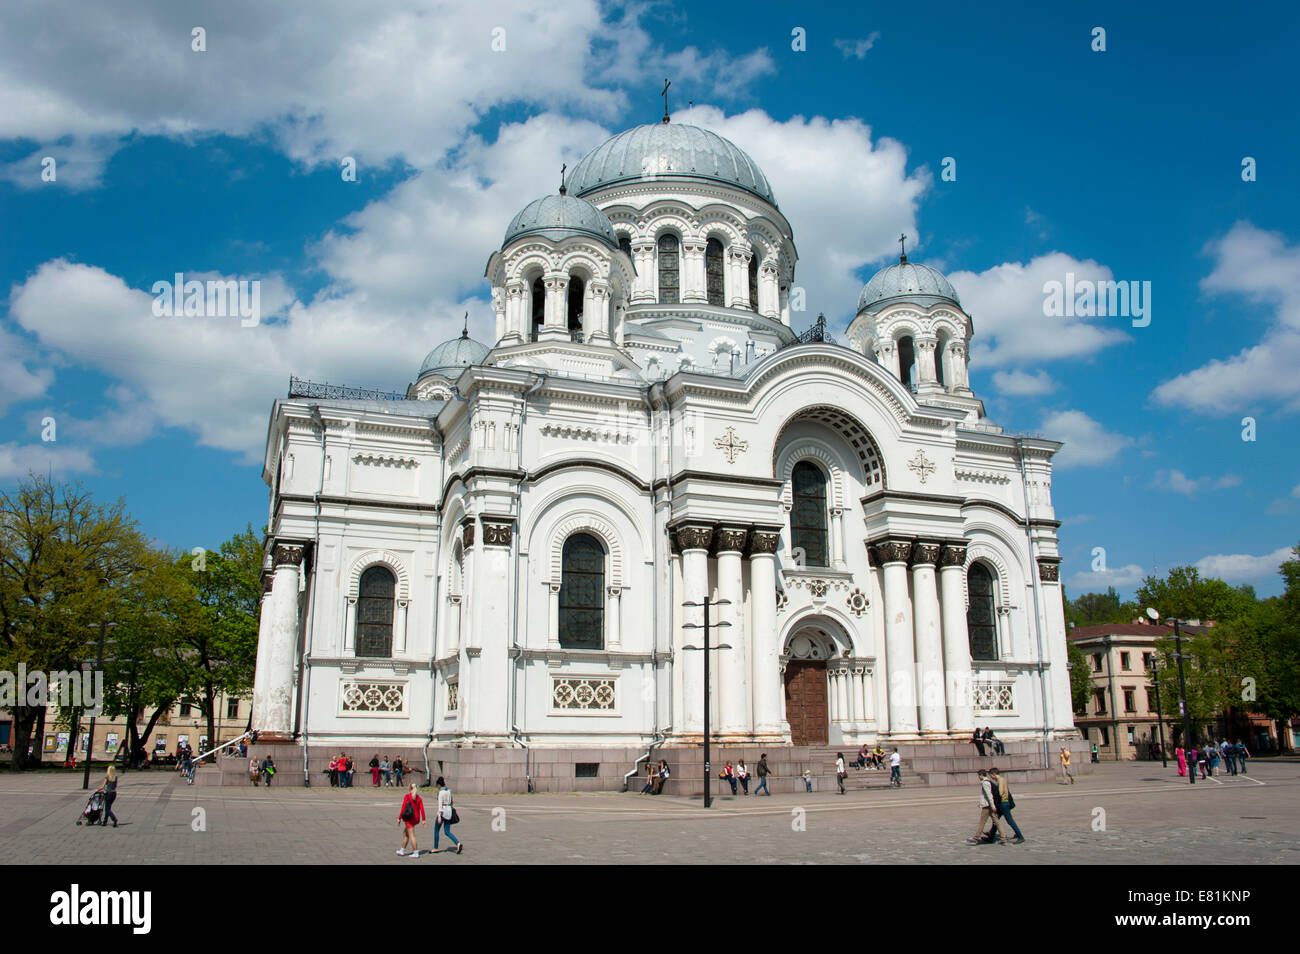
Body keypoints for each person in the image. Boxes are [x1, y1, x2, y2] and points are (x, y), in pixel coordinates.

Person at [967, 769, 1005, 845]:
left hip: (987, 806)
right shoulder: (988, 782)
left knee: (982, 822)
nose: (978, 777)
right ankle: (1003, 838)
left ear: (981, 775)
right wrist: (981, 803)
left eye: (979, 775)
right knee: (997, 822)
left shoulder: (985, 783)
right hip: (989, 805)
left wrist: (992, 806)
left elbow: (989, 795)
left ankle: (975, 838)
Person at [989, 767, 1023, 844]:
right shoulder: (1002, 779)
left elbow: (1000, 792)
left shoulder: (1000, 780)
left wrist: (995, 794)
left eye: (991, 775)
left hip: (1003, 803)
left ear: (994, 774)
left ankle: (1020, 836)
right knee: (996, 820)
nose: (991, 777)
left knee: (1010, 821)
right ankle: (991, 836)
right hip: (1004, 802)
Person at [434, 776, 463, 854]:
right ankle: (458, 843)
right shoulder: (448, 791)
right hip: (449, 811)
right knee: (447, 831)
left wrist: (439, 816)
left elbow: (440, 805)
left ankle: (436, 847)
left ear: (439, 785)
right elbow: (451, 802)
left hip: (443, 811)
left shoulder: (441, 792)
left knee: (436, 830)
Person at [396, 781, 426, 856]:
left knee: (411, 835)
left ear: (410, 788)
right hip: (416, 818)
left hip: (409, 818)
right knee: (406, 833)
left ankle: (415, 852)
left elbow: (403, 808)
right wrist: (423, 820)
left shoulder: (407, 797)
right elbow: (422, 809)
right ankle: (402, 849)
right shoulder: (419, 798)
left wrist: (399, 818)